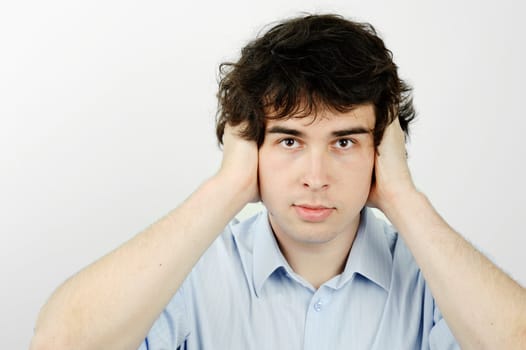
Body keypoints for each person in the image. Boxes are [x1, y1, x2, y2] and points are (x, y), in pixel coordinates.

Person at [30, 14, 526, 350]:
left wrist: (403, 196)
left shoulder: (434, 279)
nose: (316, 178)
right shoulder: (190, 272)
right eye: (289, 141)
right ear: (251, 146)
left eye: (345, 142)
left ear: (382, 151)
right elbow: (59, 343)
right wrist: (227, 187)